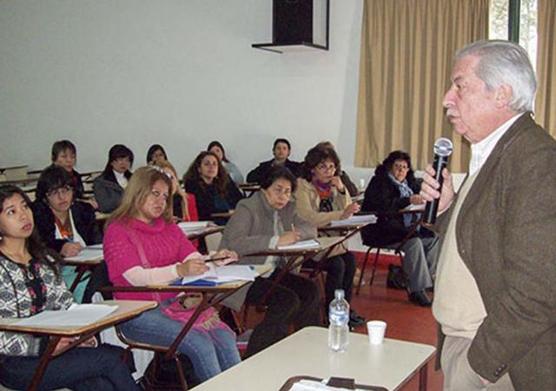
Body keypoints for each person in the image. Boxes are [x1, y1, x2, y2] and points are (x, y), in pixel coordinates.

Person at [420, 40, 556, 391]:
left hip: (497, 362)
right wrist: (448, 208)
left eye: (460, 85)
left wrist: (478, 365)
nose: (447, 98)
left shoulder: (536, 160)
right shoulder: (495, 152)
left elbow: (538, 289)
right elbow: (482, 242)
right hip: (471, 345)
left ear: (502, 94)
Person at [103, 166, 241, 382]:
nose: (161, 201)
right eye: (154, 194)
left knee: (225, 337)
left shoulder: (169, 227)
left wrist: (216, 259)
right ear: (138, 192)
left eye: (165, 196)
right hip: (138, 313)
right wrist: (177, 270)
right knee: (199, 343)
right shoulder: (117, 230)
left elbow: (192, 259)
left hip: (175, 305)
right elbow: (136, 278)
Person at [0, 185, 139, 391]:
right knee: (109, 360)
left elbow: (66, 304)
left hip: (57, 352)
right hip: (15, 362)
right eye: (12, 212)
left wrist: (81, 336)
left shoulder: (44, 259)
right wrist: (45, 347)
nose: (23, 215)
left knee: (101, 385)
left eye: (24, 207)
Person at [219, 166, 321, 356]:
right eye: (278, 190)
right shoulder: (247, 207)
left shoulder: (287, 208)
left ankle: (308, 346)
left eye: (288, 191)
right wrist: (276, 240)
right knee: (287, 300)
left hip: (269, 271)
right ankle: (258, 353)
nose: (283, 196)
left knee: (310, 290)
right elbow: (236, 243)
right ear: (264, 189)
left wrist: (295, 235)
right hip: (244, 274)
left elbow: (310, 229)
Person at [294, 144, 364, 327]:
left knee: (349, 260)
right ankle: (331, 315)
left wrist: (341, 190)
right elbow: (307, 217)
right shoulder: (302, 186)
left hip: (330, 242)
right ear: (312, 168)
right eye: (323, 167)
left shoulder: (332, 186)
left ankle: (343, 311)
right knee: (338, 264)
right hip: (307, 243)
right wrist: (340, 214)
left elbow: (349, 210)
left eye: (332, 166)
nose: (328, 171)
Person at [361, 150, 438, 306]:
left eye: (404, 167)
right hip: (382, 230)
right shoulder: (379, 182)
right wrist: (406, 200)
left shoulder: (411, 183)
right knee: (414, 243)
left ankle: (423, 280)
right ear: (389, 167)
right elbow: (384, 208)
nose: (401, 170)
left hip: (404, 229)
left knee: (433, 238)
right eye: (397, 166)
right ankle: (416, 290)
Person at [32, 165, 106, 303]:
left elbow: (97, 243)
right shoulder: (38, 214)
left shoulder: (83, 211)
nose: (61, 197)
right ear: (44, 197)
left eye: (66, 190)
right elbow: (39, 244)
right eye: (54, 193)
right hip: (56, 273)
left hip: (89, 269)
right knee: (90, 290)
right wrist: (60, 247)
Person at [184, 152, 243, 225]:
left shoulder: (225, 182)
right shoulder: (192, 185)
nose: (211, 167)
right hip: (209, 223)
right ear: (199, 169)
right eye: (207, 164)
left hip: (231, 220)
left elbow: (239, 199)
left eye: (214, 164)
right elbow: (203, 210)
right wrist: (227, 212)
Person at [51, 140, 99, 209]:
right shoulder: (49, 177)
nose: (69, 160)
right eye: (64, 157)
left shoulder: (76, 176)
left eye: (72, 157)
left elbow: (79, 196)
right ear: (54, 159)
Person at [94, 144, 134, 213]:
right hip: (114, 216)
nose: (124, 163)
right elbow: (104, 205)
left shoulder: (134, 178)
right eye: (120, 160)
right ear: (112, 162)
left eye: (127, 160)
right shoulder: (101, 181)